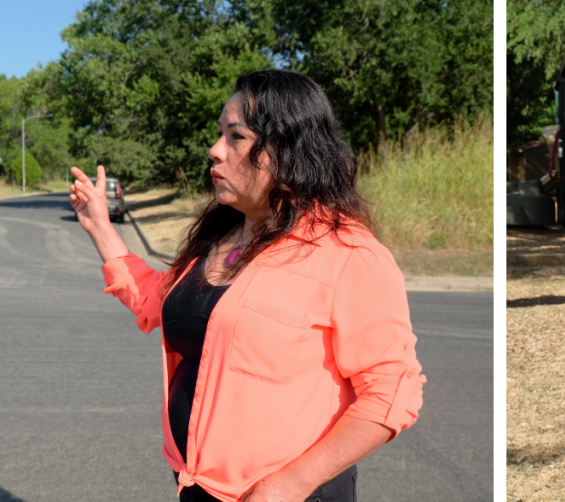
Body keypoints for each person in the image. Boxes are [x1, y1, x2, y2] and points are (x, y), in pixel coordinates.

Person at [70, 70, 425, 502]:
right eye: (220, 134)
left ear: (288, 148)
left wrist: (290, 484)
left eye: (235, 137)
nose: (214, 150)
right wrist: (101, 231)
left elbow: (391, 394)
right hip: (194, 483)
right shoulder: (218, 237)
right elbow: (160, 304)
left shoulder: (349, 254)